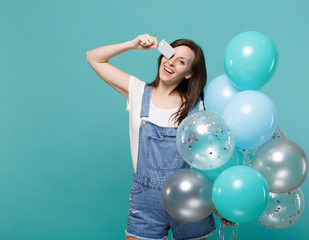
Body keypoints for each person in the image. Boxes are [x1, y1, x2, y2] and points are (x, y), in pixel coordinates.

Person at [86, 34, 232, 240]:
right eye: (170, 54)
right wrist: (132, 44)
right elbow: (93, 57)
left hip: (189, 197)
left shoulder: (197, 108)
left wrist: (220, 204)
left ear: (189, 73)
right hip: (145, 200)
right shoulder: (137, 91)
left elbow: (208, 160)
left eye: (181, 61)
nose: (171, 62)